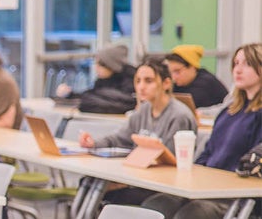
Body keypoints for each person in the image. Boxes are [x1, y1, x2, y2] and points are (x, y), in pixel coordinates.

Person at [141, 43, 262, 218]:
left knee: (191, 214)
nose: (238, 70)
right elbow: (208, 152)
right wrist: (194, 176)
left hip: (234, 196)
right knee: (155, 205)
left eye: (247, 64)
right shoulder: (228, 112)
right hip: (207, 189)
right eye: (236, 63)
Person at [79, 59, 197, 151]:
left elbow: (170, 158)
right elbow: (120, 138)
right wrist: (94, 143)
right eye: (138, 81)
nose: (141, 87)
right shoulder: (144, 110)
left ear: (166, 83)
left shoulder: (179, 116)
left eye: (148, 81)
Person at [57, 44, 138, 114]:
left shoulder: (131, 81)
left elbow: (124, 103)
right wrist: (69, 94)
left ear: (111, 66)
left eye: (99, 65)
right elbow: (90, 94)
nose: (96, 68)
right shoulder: (103, 81)